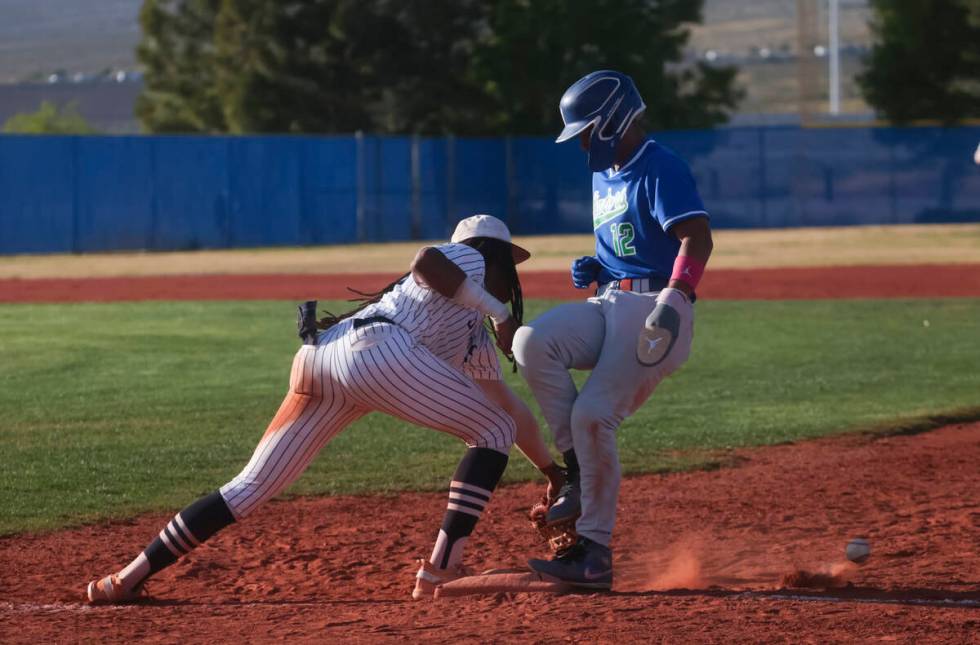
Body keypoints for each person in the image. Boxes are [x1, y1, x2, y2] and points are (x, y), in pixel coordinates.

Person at [84, 214, 565, 604]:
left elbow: (506, 407)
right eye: (511, 264)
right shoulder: (473, 258)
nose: (512, 278)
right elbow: (427, 260)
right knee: (491, 431)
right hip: (374, 351)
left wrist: (550, 471)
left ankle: (125, 579)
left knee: (248, 488)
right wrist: (502, 313)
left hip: (322, 358)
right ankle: (441, 571)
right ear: (493, 254)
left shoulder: (471, 332)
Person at [513, 70, 714, 589]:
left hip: (655, 311)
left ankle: (594, 554)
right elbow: (630, 245)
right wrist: (600, 268)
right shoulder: (605, 174)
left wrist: (677, 295)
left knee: (595, 414)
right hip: (611, 302)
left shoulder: (660, 166)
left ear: (612, 122)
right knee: (531, 341)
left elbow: (696, 238)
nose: (581, 141)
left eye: (585, 130)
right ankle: (579, 473)